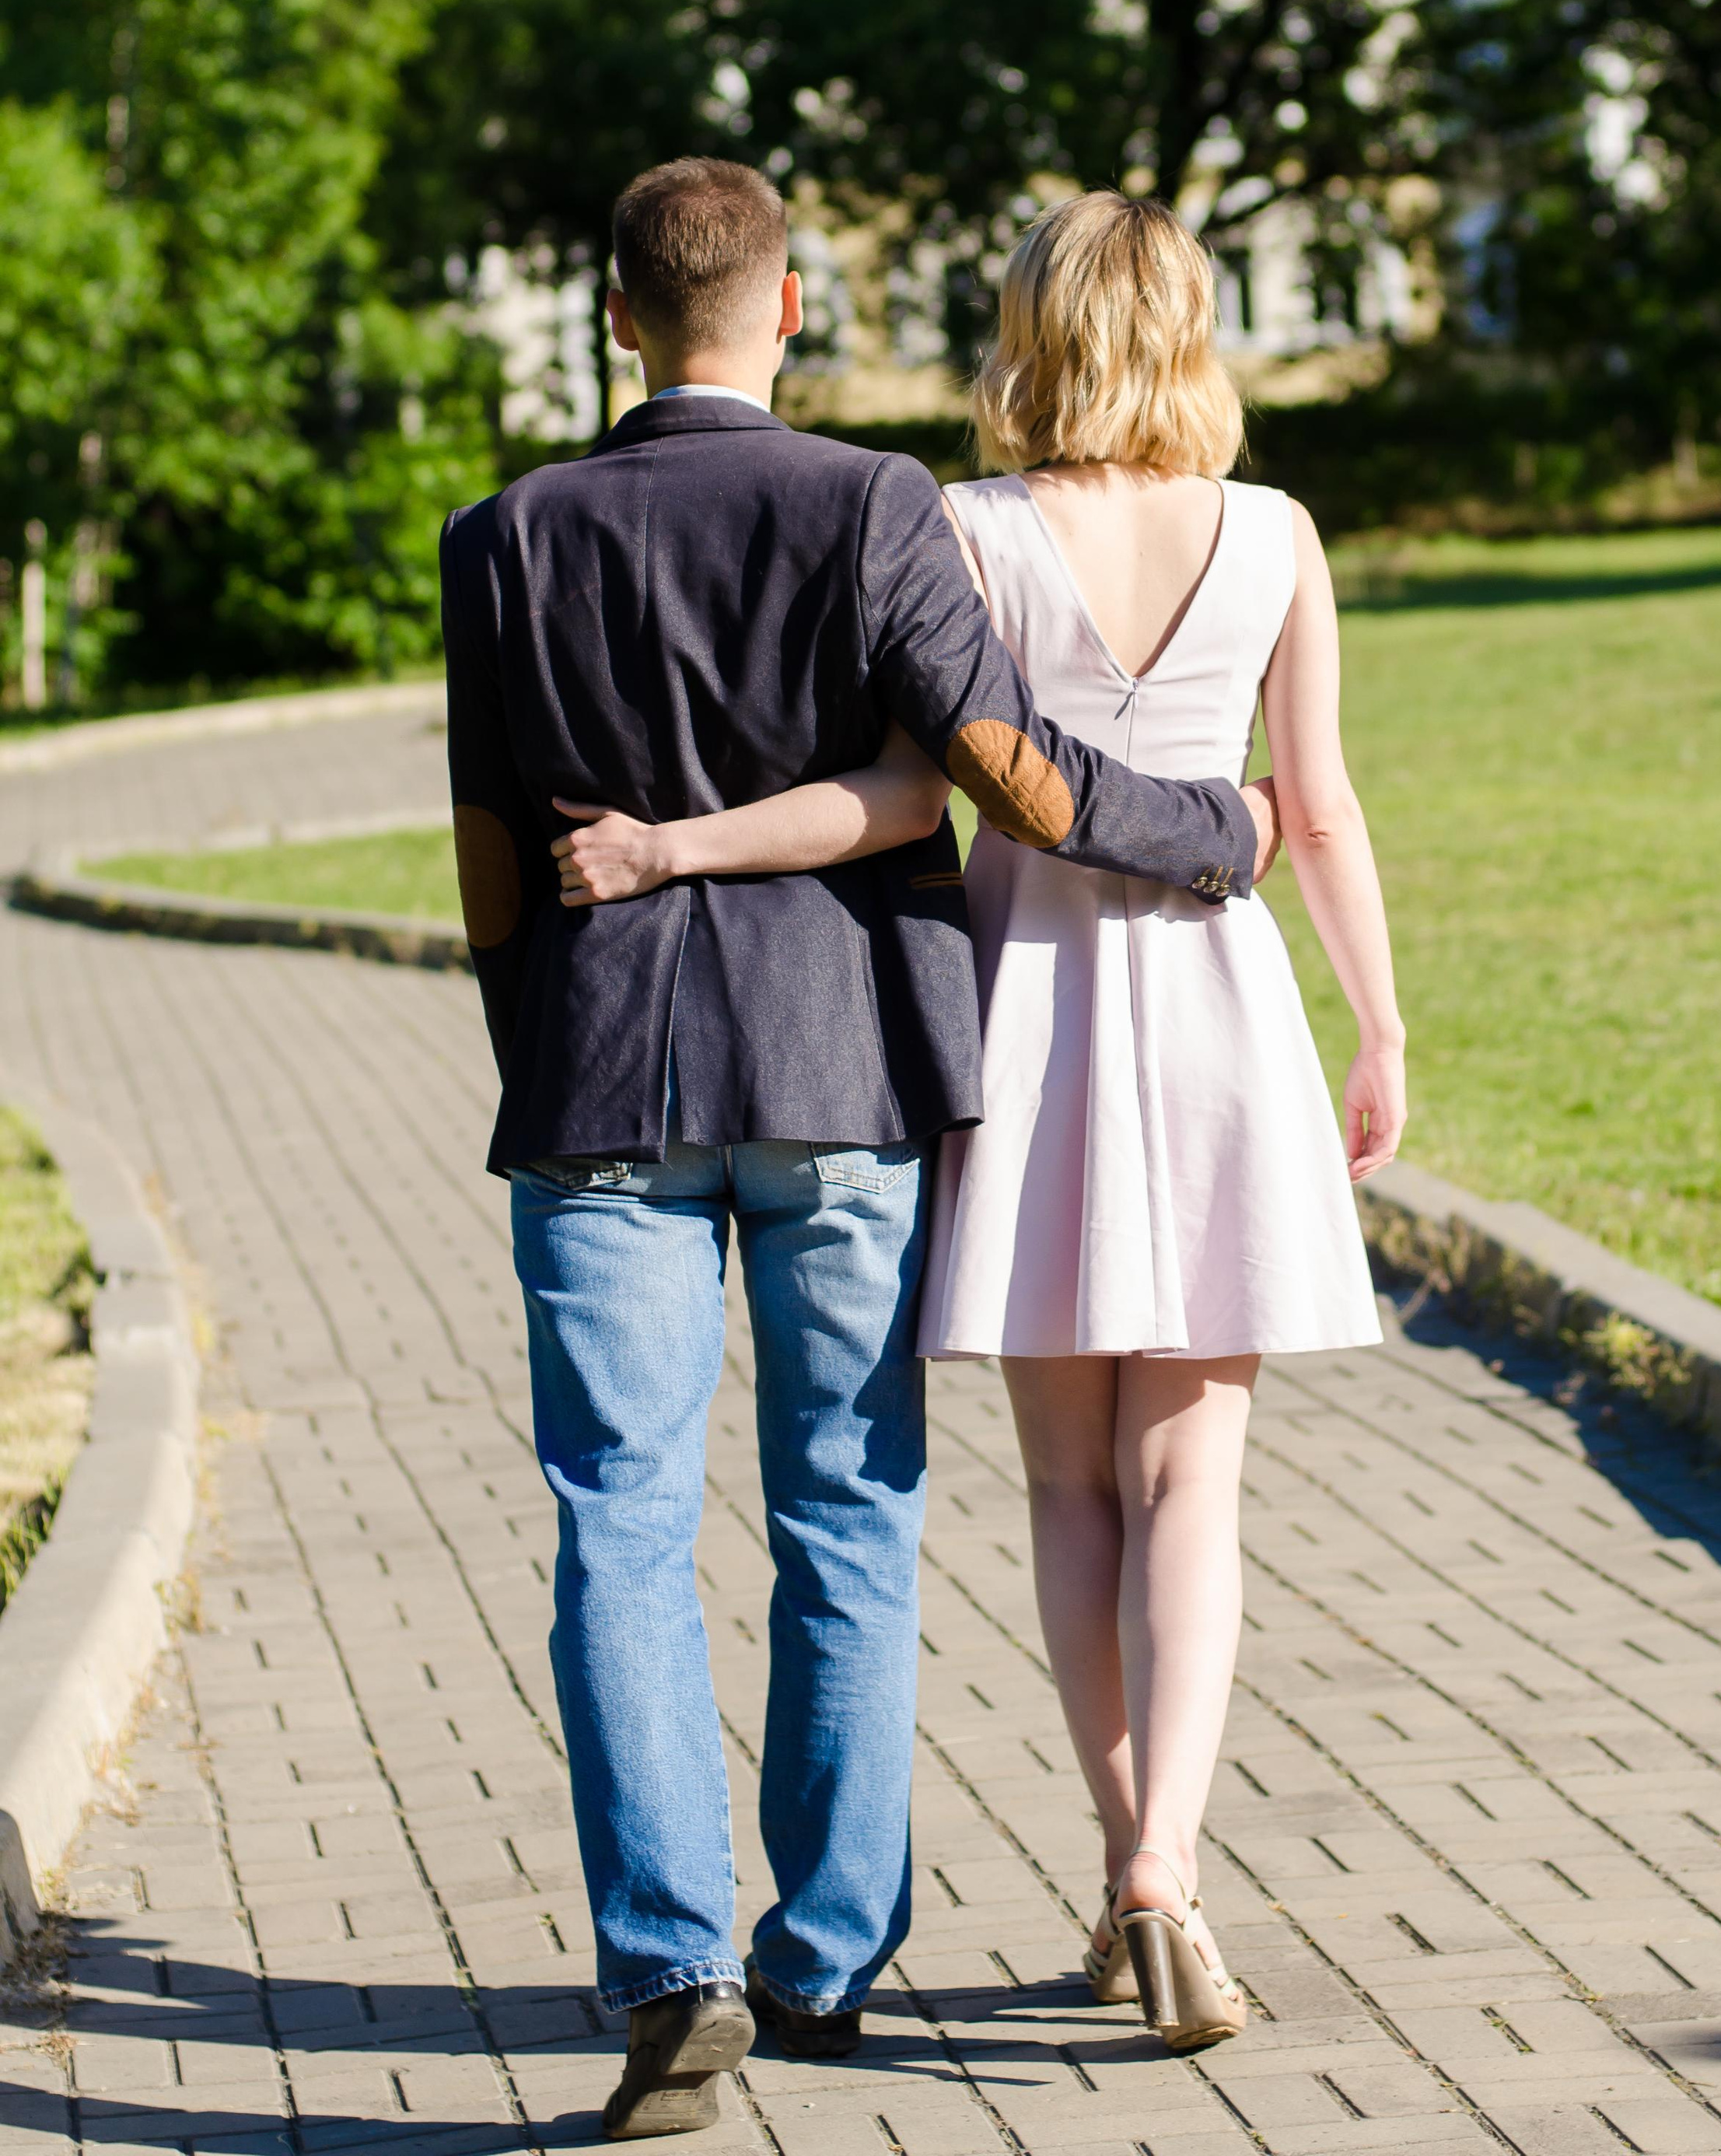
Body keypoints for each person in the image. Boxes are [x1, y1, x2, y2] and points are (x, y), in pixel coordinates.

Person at [438, 158, 1278, 2138]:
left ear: (620, 315)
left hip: (603, 1089)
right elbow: (1005, 776)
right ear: (790, 306)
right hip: (842, 1084)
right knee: (846, 1507)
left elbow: (488, 848)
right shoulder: (870, 505)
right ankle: (820, 1957)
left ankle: (667, 1970)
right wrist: (1215, 832)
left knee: (617, 1520)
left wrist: (534, 1024)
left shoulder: (504, 535)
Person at [916, 192, 1407, 2052]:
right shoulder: (1275, 532)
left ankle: (1126, 1856)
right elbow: (1323, 805)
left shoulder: (964, 534)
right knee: (1189, 1478)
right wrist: (1374, 1025)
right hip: (1215, 1012)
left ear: (1027, 328)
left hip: (1023, 1016)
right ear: (1192, 325)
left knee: (1062, 1483)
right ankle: (1169, 1875)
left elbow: (923, 792)